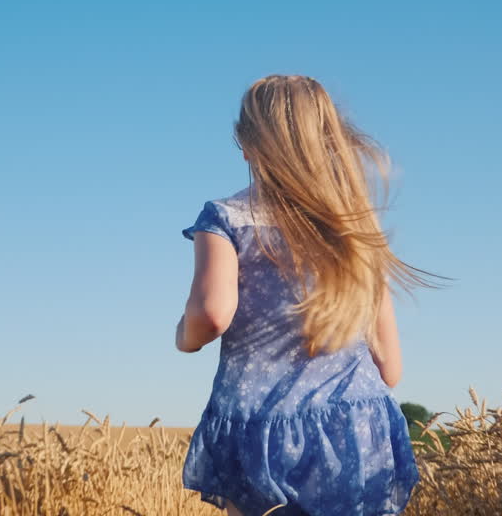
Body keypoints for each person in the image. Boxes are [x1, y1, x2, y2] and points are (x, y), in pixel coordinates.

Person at [175, 74, 433, 516]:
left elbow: (213, 313)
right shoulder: (355, 228)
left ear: (246, 145)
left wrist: (186, 335)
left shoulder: (227, 218)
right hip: (357, 425)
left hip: (262, 433)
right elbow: (390, 369)